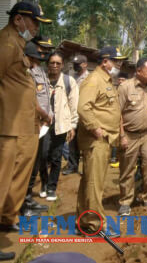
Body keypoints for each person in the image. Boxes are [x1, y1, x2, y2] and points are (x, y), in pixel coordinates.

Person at [0, 1, 51, 261]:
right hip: (8, 126)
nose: (34, 28)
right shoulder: (7, 43)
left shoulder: (18, 44)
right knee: (2, 181)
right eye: (33, 22)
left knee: (16, 180)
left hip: (22, 125)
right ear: (18, 19)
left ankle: (8, 218)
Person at [76, 46, 127, 236]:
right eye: (116, 61)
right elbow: (83, 108)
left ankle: (83, 220)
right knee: (94, 184)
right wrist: (96, 129)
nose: (119, 65)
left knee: (90, 181)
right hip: (96, 140)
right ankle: (95, 224)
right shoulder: (94, 80)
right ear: (105, 62)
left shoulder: (105, 80)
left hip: (103, 140)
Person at [117, 58, 147, 215]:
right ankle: (125, 201)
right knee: (127, 168)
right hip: (129, 135)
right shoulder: (125, 87)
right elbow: (118, 113)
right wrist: (122, 135)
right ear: (139, 71)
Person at [41, 52, 78, 202]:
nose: (55, 65)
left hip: (61, 125)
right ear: (48, 64)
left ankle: (51, 187)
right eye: (52, 63)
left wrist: (73, 126)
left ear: (62, 65)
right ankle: (43, 182)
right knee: (42, 156)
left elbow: (73, 105)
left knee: (56, 158)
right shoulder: (41, 80)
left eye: (58, 63)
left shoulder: (69, 82)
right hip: (42, 125)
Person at [20, 42, 52, 216]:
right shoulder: (26, 73)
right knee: (27, 165)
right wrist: (45, 116)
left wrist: (49, 115)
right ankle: (22, 203)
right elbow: (32, 101)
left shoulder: (40, 71)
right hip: (31, 124)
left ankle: (27, 198)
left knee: (37, 161)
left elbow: (46, 96)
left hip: (42, 125)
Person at [63, 54, 89, 175]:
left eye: (77, 65)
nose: (75, 67)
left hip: (85, 115)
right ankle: (72, 165)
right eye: (74, 65)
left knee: (85, 142)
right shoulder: (71, 77)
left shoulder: (89, 78)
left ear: (85, 64)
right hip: (73, 114)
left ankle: (87, 168)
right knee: (72, 141)